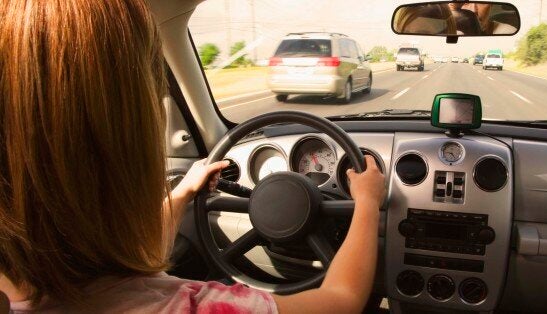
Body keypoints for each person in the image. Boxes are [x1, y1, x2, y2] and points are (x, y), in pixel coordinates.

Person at [0, 0, 385, 313]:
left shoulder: (21, 296)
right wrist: (366, 202)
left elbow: (135, 249)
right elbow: (341, 300)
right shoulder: (195, 306)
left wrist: (183, 193)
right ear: (127, 168)